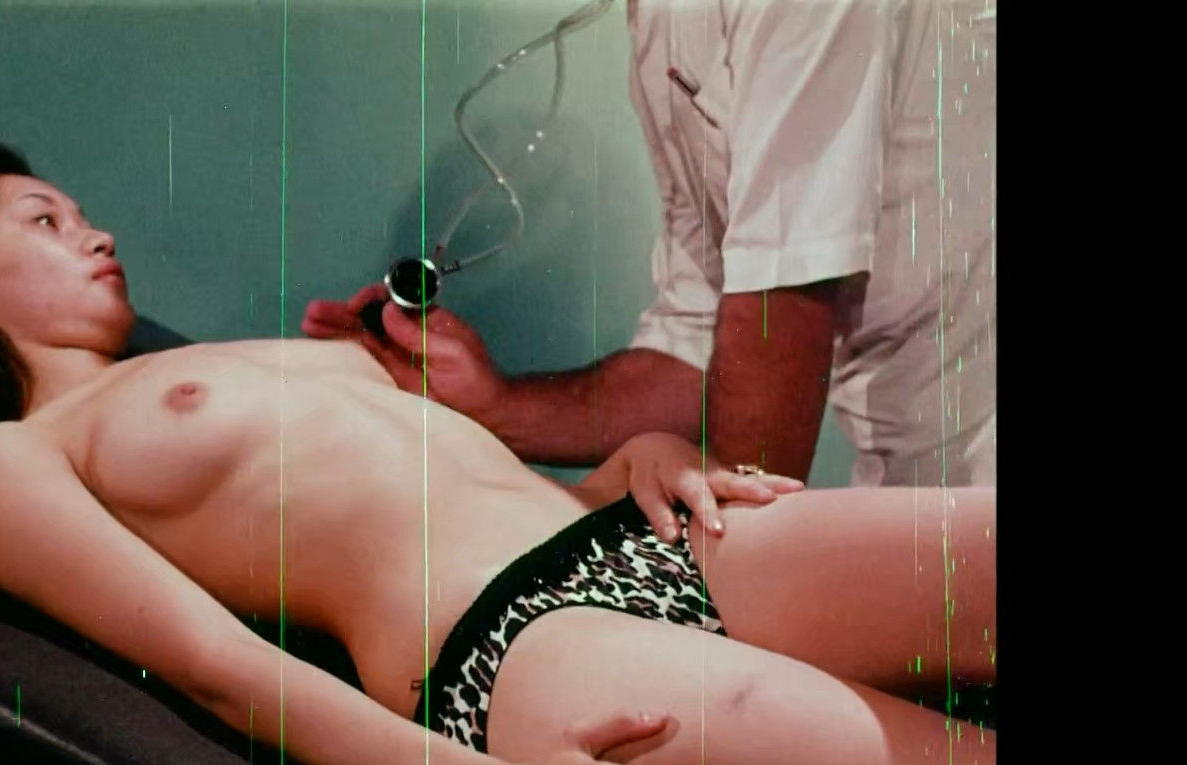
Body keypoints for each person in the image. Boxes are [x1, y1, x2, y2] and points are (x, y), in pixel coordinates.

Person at [0, 143, 996, 765]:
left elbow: (466, 480)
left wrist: (631, 458)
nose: (94, 232)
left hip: (628, 530)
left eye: (79, 211)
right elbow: (215, 664)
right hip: (518, 640)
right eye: (43, 221)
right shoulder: (3, 457)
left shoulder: (241, 353)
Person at [303, 0, 996, 489]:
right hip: (918, 496)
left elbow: (774, 353)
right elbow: (701, 340)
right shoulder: (663, 21)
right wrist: (495, 405)